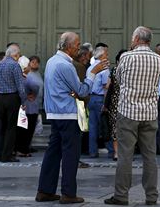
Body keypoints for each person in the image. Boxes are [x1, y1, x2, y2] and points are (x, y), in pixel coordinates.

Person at [36, 32, 108, 204]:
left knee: (53, 153)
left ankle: (44, 190)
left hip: (54, 113)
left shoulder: (52, 62)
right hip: (67, 114)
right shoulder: (65, 66)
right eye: (77, 44)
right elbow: (82, 91)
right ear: (68, 47)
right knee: (70, 154)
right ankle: (68, 193)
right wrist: (93, 73)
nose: (79, 47)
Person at [104, 26, 160, 206]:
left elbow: (119, 80)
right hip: (150, 112)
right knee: (150, 156)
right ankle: (151, 196)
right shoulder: (159, 59)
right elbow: (157, 81)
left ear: (136, 38)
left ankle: (121, 195)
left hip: (128, 111)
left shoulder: (127, 57)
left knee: (125, 156)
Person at [0, 43, 27, 162]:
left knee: (2, 127)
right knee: (11, 128)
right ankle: (7, 155)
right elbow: (20, 85)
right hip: (12, 98)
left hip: (1, 97)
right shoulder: (15, 65)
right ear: (15, 54)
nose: (19, 57)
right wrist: (23, 100)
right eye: (18, 55)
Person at [87, 45, 110, 158]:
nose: (107, 56)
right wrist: (106, 103)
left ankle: (92, 151)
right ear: (101, 56)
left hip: (91, 98)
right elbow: (106, 87)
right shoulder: (103, 69)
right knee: (106, 125)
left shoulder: (90, 68)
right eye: (106, 54)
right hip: (100, 99)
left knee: (93, 127)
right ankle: (112, 150)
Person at [103, 49, 127, 161]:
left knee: (115, 128)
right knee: (126, 128)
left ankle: (117, 153)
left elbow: (108, 87)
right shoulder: (129, 70)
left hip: (114, 103)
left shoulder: (114, 70)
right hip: (127, 102)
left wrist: (105, 103)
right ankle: (124, 153)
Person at [16, 56, 42, 157]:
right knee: (27, 130)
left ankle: (20, 149)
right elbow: (35, 86)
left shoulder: (19, 76)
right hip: (30, 107)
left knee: (22, 130)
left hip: (23, 106)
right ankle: (24, 149)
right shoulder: (27, 77)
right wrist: (33, 94)